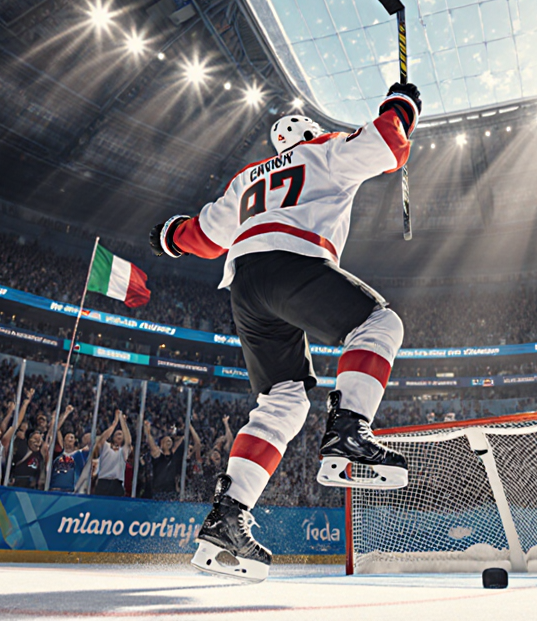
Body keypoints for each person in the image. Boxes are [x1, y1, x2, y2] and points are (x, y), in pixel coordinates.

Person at [149, 83, 421, 581]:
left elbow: (205, 238)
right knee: (380, 323)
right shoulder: (324, 150)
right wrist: (403, 105)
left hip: (246, 285)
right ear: (311, 133)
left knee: (283, 400)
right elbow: (387, 144)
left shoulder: (248, 177)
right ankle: (348, 433)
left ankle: (226, 519)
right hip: (294, 262)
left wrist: (170, 236)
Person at [92, 410, 131, 496]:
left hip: (117, 484)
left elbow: (128, 441)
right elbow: (102, 438)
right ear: (113, 437)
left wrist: (123, 422)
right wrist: (115, 422)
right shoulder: (106, 446)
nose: (119, 436)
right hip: (103, 482)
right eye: (117, 434)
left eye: (121, 434)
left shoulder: (123, 451)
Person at [143, 419, 185, 500]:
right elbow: (151, 444)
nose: (168, 442)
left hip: (171, 493)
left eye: (170, 441)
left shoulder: (173, 455)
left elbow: (181, 440)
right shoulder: (157, 455)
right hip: (158, 492)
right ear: (161, 444)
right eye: (166, 441)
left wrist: (185, 428)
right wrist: (147, 431)